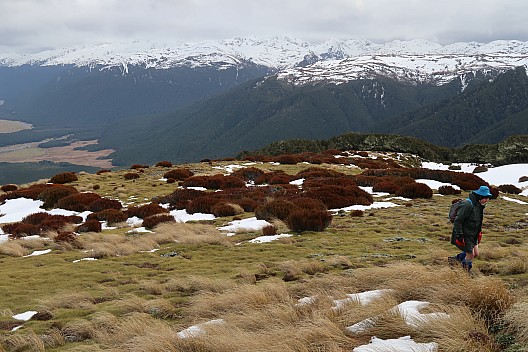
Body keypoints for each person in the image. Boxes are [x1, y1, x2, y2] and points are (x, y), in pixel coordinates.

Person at [449, 185, 493, 273]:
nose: (487, 200)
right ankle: (465, 274)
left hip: (474, 234)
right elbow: (458, 220)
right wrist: (459, 234)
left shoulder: (479, 205)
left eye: (488, 198)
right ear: (480, 196)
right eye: (485, 198)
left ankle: (455, 260)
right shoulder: (467, 204)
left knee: (476, 254)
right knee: (471, 254)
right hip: (465, 234)